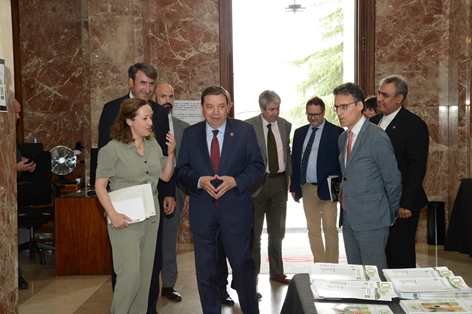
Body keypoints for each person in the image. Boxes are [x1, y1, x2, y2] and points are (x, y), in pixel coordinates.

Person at [176, 86, 264, 314]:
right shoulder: (190, 134)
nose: (215, 112)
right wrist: (199, 180)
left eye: (221, 106)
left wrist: (235, 181)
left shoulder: (244, 131)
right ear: (202, 108)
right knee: (206, 272)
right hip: (203, 214)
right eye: (209, 106)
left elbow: (257, 166)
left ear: (229, 107)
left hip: (235, 213)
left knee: (243, 268)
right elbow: (181, 170)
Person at [97, 62, 175, 314]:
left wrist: (171, 153)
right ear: (130, 121)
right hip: (123, 216)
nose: (151, 121)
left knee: (145, 274)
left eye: (151, 117)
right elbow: (100, 183)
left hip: (150, 215)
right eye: (146, 118)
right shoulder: (112, 146)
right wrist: (112, 213)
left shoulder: (152, 145)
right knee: (128, 274)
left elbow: (164, 174)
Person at [333, 82, 402, 272]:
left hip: (373, 219)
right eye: (337, 107)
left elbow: (393, 179)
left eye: (344, 106)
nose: (339, 112)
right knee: (356, 274)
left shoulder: (376, 136)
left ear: (360, 105)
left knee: (375, 275)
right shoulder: (343, 138)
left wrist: (389, 214)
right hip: (348, 218)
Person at [370, 75, 429, 269]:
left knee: (400, 255)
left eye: (385, 95)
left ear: (399, 98)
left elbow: (416, 167)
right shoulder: (373, 122)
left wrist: (405, 204)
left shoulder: (414, 125)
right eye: (379, 93)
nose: (379, 98)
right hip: (378, 202)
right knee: (380, 254)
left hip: (401, 205)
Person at [246, 90, 292, 285]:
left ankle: (276, 271)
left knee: (277, 231)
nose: (276, 112)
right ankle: (253, 275)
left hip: (280, 183)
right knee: (254, 233)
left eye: (278, 108)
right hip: (257, 184)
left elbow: (287, 154)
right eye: (272, 109)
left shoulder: (285, 125)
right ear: (262, 109)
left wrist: (290, 178)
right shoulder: (248, 126)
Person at [290, 96, 343, 263]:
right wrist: (294, 187)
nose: (313, 118)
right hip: (307, 187)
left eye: (316, 114)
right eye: (309, 115)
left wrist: (341, 187)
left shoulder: (337, 133)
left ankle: (333, 264)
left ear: (324, 112)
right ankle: (320, 264)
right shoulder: (299, 133)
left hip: (330, 185)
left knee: (329, 227)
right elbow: (296, 161)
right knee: (312, 229)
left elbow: (342, 162)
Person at [150, 81, 189, 302]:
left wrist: (188, 193)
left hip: (176, 189)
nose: (168, 101)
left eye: (171, 97)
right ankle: (149, 284)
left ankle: (169, 284)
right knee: (149, 240)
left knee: (169, 239)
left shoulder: (183, 127)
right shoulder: (146, 125)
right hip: (150, 189)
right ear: (154, 98)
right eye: (163, 96)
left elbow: (187, 163)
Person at [15, 99, 35, 291]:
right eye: (16, 113)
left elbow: (11, 155)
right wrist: (15, 167)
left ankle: (16, 275)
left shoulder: (9, 135)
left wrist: (25, 162)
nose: (19, 117)